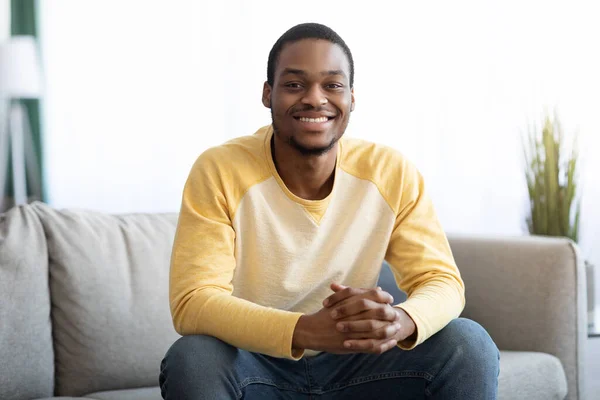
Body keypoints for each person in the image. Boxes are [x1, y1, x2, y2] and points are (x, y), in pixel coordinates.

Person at [159, 22, 499, 399]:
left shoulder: (391, 172)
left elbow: (442, 281)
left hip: (360, 365)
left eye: (332, 85)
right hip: (256, 366)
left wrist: (401, 320)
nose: (314, 99)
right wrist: (303, 330)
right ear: (267, 93)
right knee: (193, 357)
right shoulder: (220, 170)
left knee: (469, 342)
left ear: (352, 98)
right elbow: (193, 303)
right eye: (294, 85)